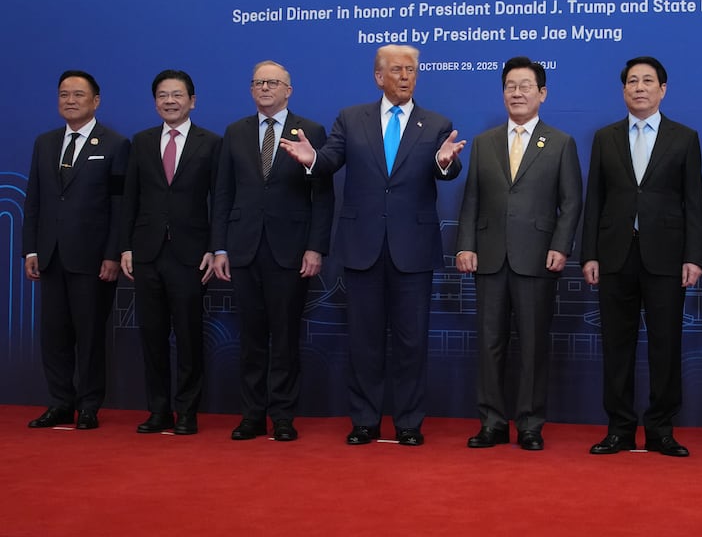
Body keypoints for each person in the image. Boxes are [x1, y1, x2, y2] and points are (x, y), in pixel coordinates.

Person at [279, 45, 464, 446]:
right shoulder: (351, 118)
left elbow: (445, 166)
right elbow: (329, 159)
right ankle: (363, 419)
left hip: (411, 248)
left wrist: (446, 162)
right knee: (363, 339)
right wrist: (312, 159)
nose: (405, 76)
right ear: (378, 76)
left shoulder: (436, 123)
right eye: (397, 70)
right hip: (363, 244)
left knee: (412, 341)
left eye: (411, 70)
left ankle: (409, 423)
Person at [454, 56, 583, 451]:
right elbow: (471, 199)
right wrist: (465, 245)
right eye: (510, 85)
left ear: (542, 94)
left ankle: (530, 424)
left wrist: (561, 246)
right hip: (489, 258)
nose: (517, 92)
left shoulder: (560, 142)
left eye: (525, 86)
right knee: (489, 344)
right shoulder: (484, 142)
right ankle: (491, 422)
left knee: (531, 344)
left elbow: (572, 201)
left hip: (537, 258)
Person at [580, 56, 702, 457]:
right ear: (623, 91)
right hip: (615, 255)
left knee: (665, 345)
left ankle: (661, 429)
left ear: (662, 89)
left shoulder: (684, 138)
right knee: (617, 345)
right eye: (632, 81)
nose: (639, 87)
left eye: (647, 81)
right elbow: (594, 199)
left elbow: (693, 203)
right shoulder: (605, 137)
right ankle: (618, 428)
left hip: (667, 257)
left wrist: (694, 256)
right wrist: (589, 254)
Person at [212, 60, 334, 442]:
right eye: (258, 83)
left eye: (273, 83)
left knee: (284, 337)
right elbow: (223, 194)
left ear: (288, 90)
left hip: (290, 251)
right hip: (244, 249)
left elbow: (323, 196)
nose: (265, 88)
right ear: (251, 90)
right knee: (250, 338)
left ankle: (282, 415)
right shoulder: (235, 132)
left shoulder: (310, 130)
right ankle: (251, 415)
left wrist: (316, 246)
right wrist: (219, 247)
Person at [23, 70, 130, 430]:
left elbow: (119, 206)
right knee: (54, 336)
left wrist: (113, 254)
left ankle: (88, 405)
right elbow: (34, 200)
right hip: (50, 256)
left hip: (93, 259)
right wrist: (30, 251)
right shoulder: (45, 142)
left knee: (89, 335)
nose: (70, 100)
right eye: (64, 94)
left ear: (95, 101)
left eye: (78, 95)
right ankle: (59, 403)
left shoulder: (115, 144)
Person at [120, 69, 220, 435]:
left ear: (192, 100)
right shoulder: (142, 141)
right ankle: (158, 410)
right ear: (155, 102)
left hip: (191, 254)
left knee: (189, 335)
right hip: (146, 253)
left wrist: (214, 247)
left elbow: (219, 201)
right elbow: (130, 198)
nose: (170, 101)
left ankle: (188, 411)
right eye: (163, 95)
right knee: (152, 335)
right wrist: (126, 246)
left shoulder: (211, 143)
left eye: (177, 95)